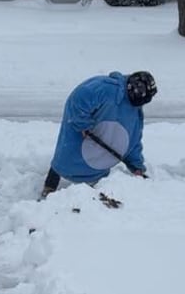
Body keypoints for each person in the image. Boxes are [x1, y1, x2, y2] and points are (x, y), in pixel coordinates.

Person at [40, 70, 157, 198]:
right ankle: (49, 187)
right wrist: (83, 124)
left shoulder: (135, 113)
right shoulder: (105, 88)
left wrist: (136, 166)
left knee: (97, 169)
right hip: (82, 132)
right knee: (65, 156)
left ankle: (89, 199)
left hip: (100, 153)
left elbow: (132, 140)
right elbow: (78, 100)